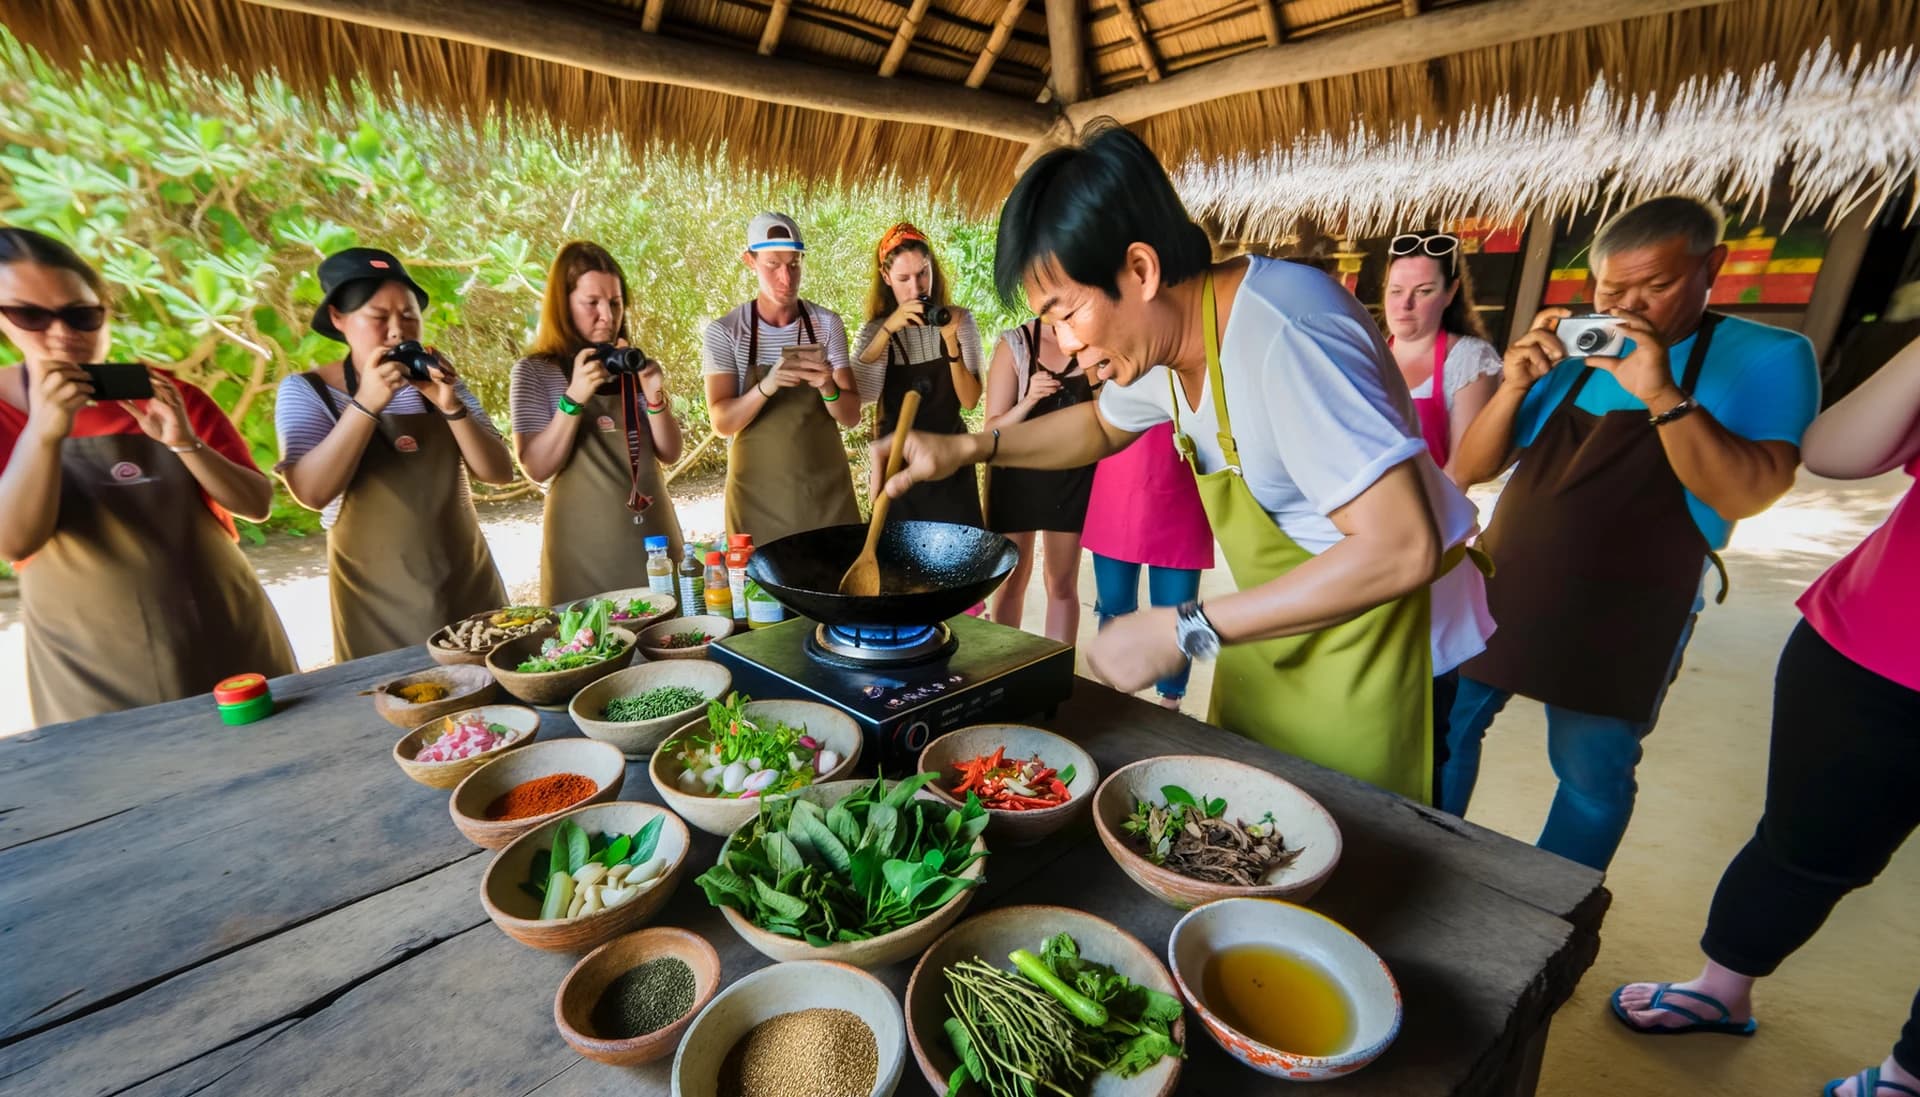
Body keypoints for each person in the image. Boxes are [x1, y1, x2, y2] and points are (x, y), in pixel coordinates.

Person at [883, 125, 1493, 804]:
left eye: (1067, 312)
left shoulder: (1285, 334)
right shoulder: (1172, 338)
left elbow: (1400, 546)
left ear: (1140, 270)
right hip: (1287, 633)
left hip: (1386, 641)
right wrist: (973, 446)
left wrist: (1186, 625)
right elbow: (1097, 423)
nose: (1063, 342)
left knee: (1359, 853)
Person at [1444, 196, 1821, 870]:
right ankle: (1428, 855)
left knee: (1592, 777)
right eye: (1614, 289)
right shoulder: (1573, 350)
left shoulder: (1770, 356)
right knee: (1444, 732)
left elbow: (1750, 491)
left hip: (1631, 609)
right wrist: (1510, 388)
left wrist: (1662, 393)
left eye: (1658, 285)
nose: (1632, 307)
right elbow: (1467, 468)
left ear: (1713, 267)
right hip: (1509, 580)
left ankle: (1548, 910)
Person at [1609, 333, 1920, 1097]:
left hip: (1875, 648)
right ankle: (1721, 985)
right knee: (1799, 845)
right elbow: (1838, 452)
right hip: (1878, 648)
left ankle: (1908, 1072)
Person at [0, 227, 293, 724]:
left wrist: (185, 442)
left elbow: (255, 503)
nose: (61, 333)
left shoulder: (166, 394)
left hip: (226, 632)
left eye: (81, 314)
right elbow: (15, 541)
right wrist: (42, 435)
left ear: (105, 309)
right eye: (29, 315)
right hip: (92, 664)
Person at [275, 247, 513, 663]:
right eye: (378, 317)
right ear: (338, 319)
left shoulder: (442, 384)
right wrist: (367, 403)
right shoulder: (306, 391)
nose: (397, 331)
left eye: (408, 316)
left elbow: (498, 472)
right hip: (376, 601)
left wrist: (450, 403)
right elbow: (310, 492)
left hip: (466, 580)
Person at [511, 241, 684, 605]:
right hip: (580, 553)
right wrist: (574, 398)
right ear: (564, 305)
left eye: (616, 303)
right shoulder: (534, 372)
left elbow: (669, 453)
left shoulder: (632, 366)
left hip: (654, 543)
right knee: (590, 648)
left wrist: (654, 393)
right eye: (592, 303)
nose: (607, 315)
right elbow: (537, 467)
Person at [704, 212, 862, 545]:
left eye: (793, 265)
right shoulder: (727, 332)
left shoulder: (825, 324)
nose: (785, 279)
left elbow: (851, 416)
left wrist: (828, 387)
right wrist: (766, 386)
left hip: (825, 498)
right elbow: (721, 423)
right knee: (759, 591)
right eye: (772, 265)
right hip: (755, 499)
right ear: (750, 261)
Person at [854, 223, 985, 524]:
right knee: (898, 568)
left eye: (923, 273)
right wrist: (888, 330)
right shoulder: (874, 331)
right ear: (886, 278)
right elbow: (863, 395)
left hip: (950, 463)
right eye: (904, 278)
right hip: (898, 471)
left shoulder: (960, 320)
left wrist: (950, 338)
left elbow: (970, 400)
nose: (916, 288)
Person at [1082, 422, 1214, 710]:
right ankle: (1113, 692)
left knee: (1179, 607)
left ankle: (1172, 699)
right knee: (1114, 601)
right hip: (1119, 478)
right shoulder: (1113, 375)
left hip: (1183, 477)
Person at [982, 319, 1093, 641]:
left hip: (1071, 475)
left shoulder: (1091, 338)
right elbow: (991, 430)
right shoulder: (1015, 344)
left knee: (1061, 582)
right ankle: (1004, 665)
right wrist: (1029, 399)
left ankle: (1056, 674)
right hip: (1014, 476)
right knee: (1011, 578)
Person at [1381, 231, 1502, 484]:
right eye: (1396, 291)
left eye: (1423, 291)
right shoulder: (1368, 354)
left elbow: (1460, 471)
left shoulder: (1468, 359)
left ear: (1450, 292)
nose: (1405, 304)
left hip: (1432, 513)